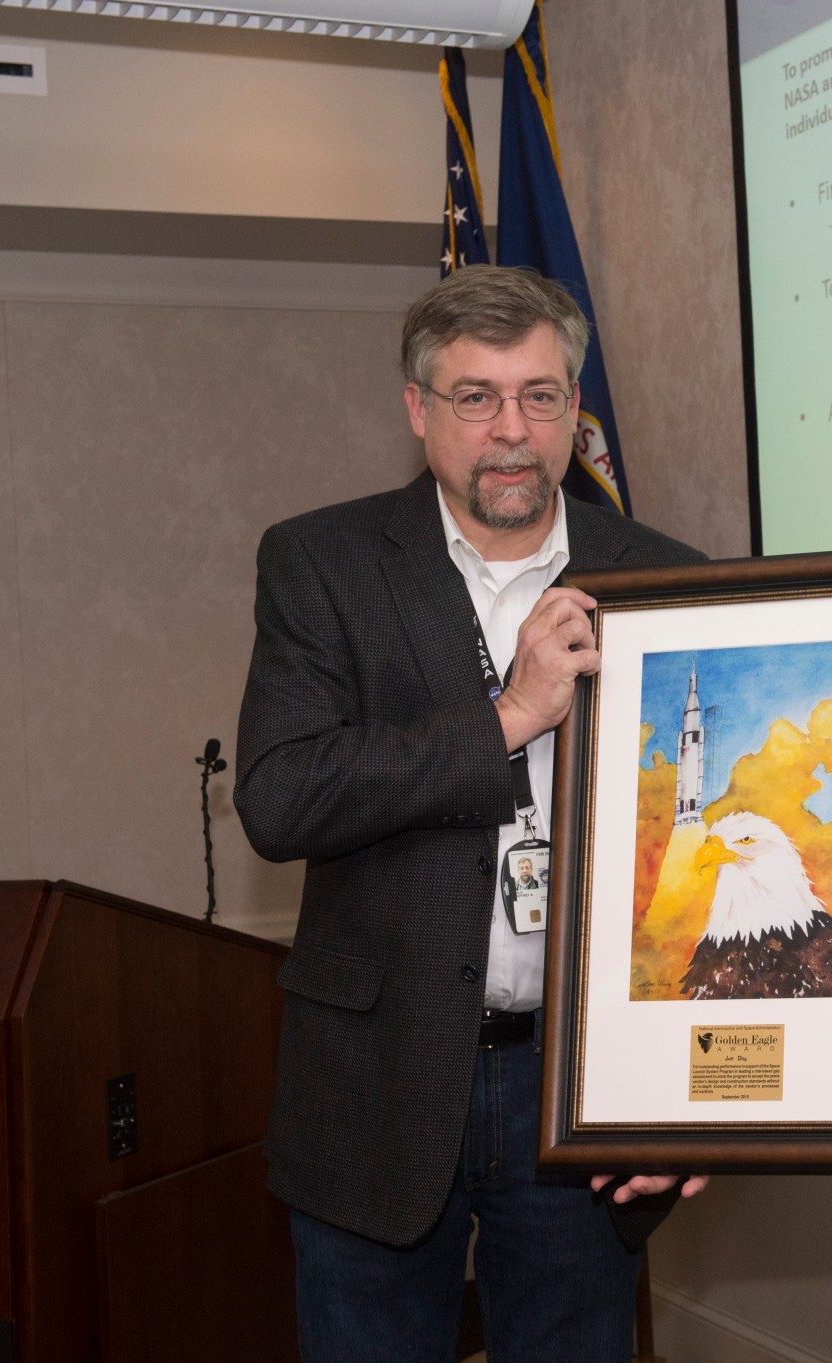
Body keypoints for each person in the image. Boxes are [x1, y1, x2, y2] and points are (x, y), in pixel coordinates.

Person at [235, 264, 706, 1363]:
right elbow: (281, 794)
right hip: (376, 1083)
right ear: (418, 410)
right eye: (475, 397)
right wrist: (510, 715)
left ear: (574, 412)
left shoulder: (668, 574)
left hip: (580, 1088)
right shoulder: (322, 562)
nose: (511, 431)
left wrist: (697, 1088)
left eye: (540, 397)